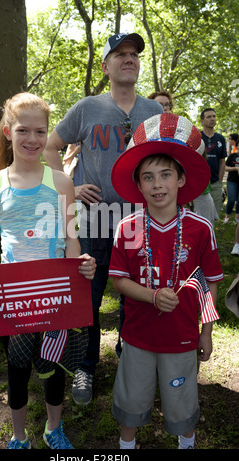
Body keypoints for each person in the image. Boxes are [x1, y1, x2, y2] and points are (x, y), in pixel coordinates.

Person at [0, 92, 96, 449]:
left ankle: (53, 428)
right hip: (13, 297)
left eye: (40, 132)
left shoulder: (61, 183)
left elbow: (71, 239)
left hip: (57, 294)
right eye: (23, 131)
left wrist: (82, 265)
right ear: (6, 131)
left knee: (52, 366)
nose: (32, 140)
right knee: (16, 368)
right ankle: (19, 436)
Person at [43, 32, 163, 405]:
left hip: (139, 223)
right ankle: (85, 365)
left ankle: (131, 354)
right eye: (120, 54)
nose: (129, 59)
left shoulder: (154, 113)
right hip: (93, 223)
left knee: (136, 296)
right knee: (88, 299)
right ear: (106, 65)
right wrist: (69, 188)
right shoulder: (86, 108)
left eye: (133, 54)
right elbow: (49, 147)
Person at [109, 113, 223, 449]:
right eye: (148, 177)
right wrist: (152, 296)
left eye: (165, 175)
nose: (157, 184)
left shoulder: (201, 229)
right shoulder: (127, 228)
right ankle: (125, 447)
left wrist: (206, 332)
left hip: (182, 339)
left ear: (181, 179)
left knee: (181, 404)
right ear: (139, 184)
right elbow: (118, 280)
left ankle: (186, 443)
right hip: (138, 337)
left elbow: (210, 283)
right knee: (132, 402)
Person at [200, 108, 227, 216]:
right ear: (202, 121)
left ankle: (211, 232)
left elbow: (222, 162)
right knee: (201, 214)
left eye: (214, 116)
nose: (212, 119)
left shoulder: (220, 138)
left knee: (214, 214)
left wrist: (219, 182)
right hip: (201, 183)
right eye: (209, 117)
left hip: (215, 183)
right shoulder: (197, 137)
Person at [223, 148, 239, 224]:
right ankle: (227, 217)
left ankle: (237, 219)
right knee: (231, 199)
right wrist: (235, 168)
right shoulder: (233, 156)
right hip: (232, 181)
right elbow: (225, 168)